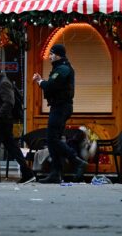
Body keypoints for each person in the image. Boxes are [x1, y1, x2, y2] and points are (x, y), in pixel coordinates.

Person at [32, 44, 87, 184]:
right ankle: (56, 173)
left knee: (53, 139)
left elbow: (50, 86)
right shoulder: (60, 68)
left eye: (51, 54)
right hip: (59, 107)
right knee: (53, 140)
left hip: (61, 107)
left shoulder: (63, 69)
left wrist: (39, 81)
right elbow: (52, 85)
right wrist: (43, 81)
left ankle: (76, 161)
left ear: (57, 55)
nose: (49, 56)